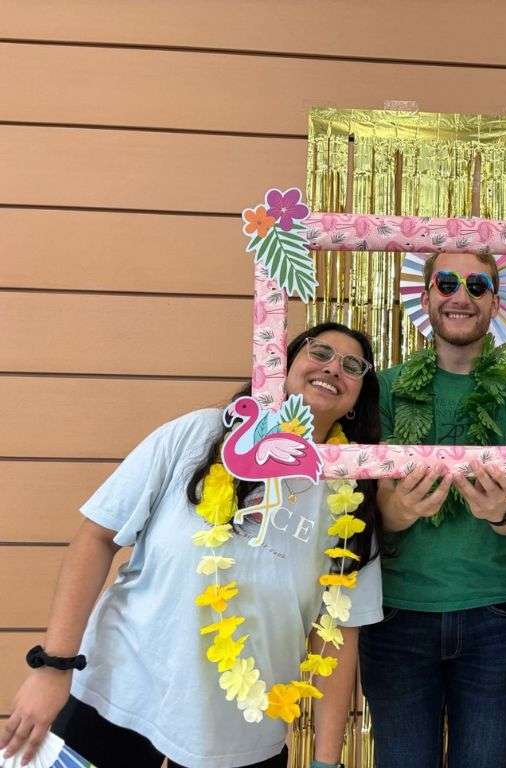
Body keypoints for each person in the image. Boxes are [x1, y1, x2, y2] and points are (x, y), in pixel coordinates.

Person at [0, 322, 383, 768]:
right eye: (319, 352)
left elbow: (338, 634)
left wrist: (325, 760)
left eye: (352, 365)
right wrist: (54, 667)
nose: (333, 368)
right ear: (281, 368)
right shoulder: (197, 436)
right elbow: (96, 537)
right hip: (118, 693)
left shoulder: (351, 499)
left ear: (357, 401)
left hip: (241, 732)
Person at [359, 252, 506, 768]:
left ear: (495, 303)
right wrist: (394, 512)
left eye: (477, 286)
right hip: (396, 615)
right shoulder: (383, 389)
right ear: (427, 295)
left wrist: (503, 511)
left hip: (494, 617)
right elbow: (363, 509)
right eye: (447, 283)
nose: (461, 295)